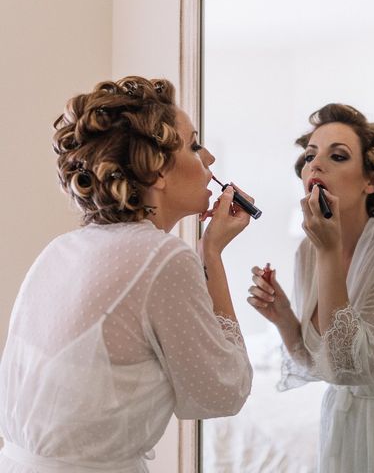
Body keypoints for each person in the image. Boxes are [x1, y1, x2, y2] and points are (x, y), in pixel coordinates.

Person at [0, 76, 253, 472]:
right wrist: (211, 254)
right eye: (194, 145)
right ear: (157, 170)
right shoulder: (163, 257)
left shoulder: (63, 248)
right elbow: (222, 391)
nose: (210, 161)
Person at [247, 104, 374, 473]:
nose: (316, 165)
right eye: (309, 155)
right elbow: (324, 367)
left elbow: (353, 369)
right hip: (341, 426)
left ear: (371, 181)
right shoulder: (308, 249)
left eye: (338, 156)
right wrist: (284, 318)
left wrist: (330, 251)